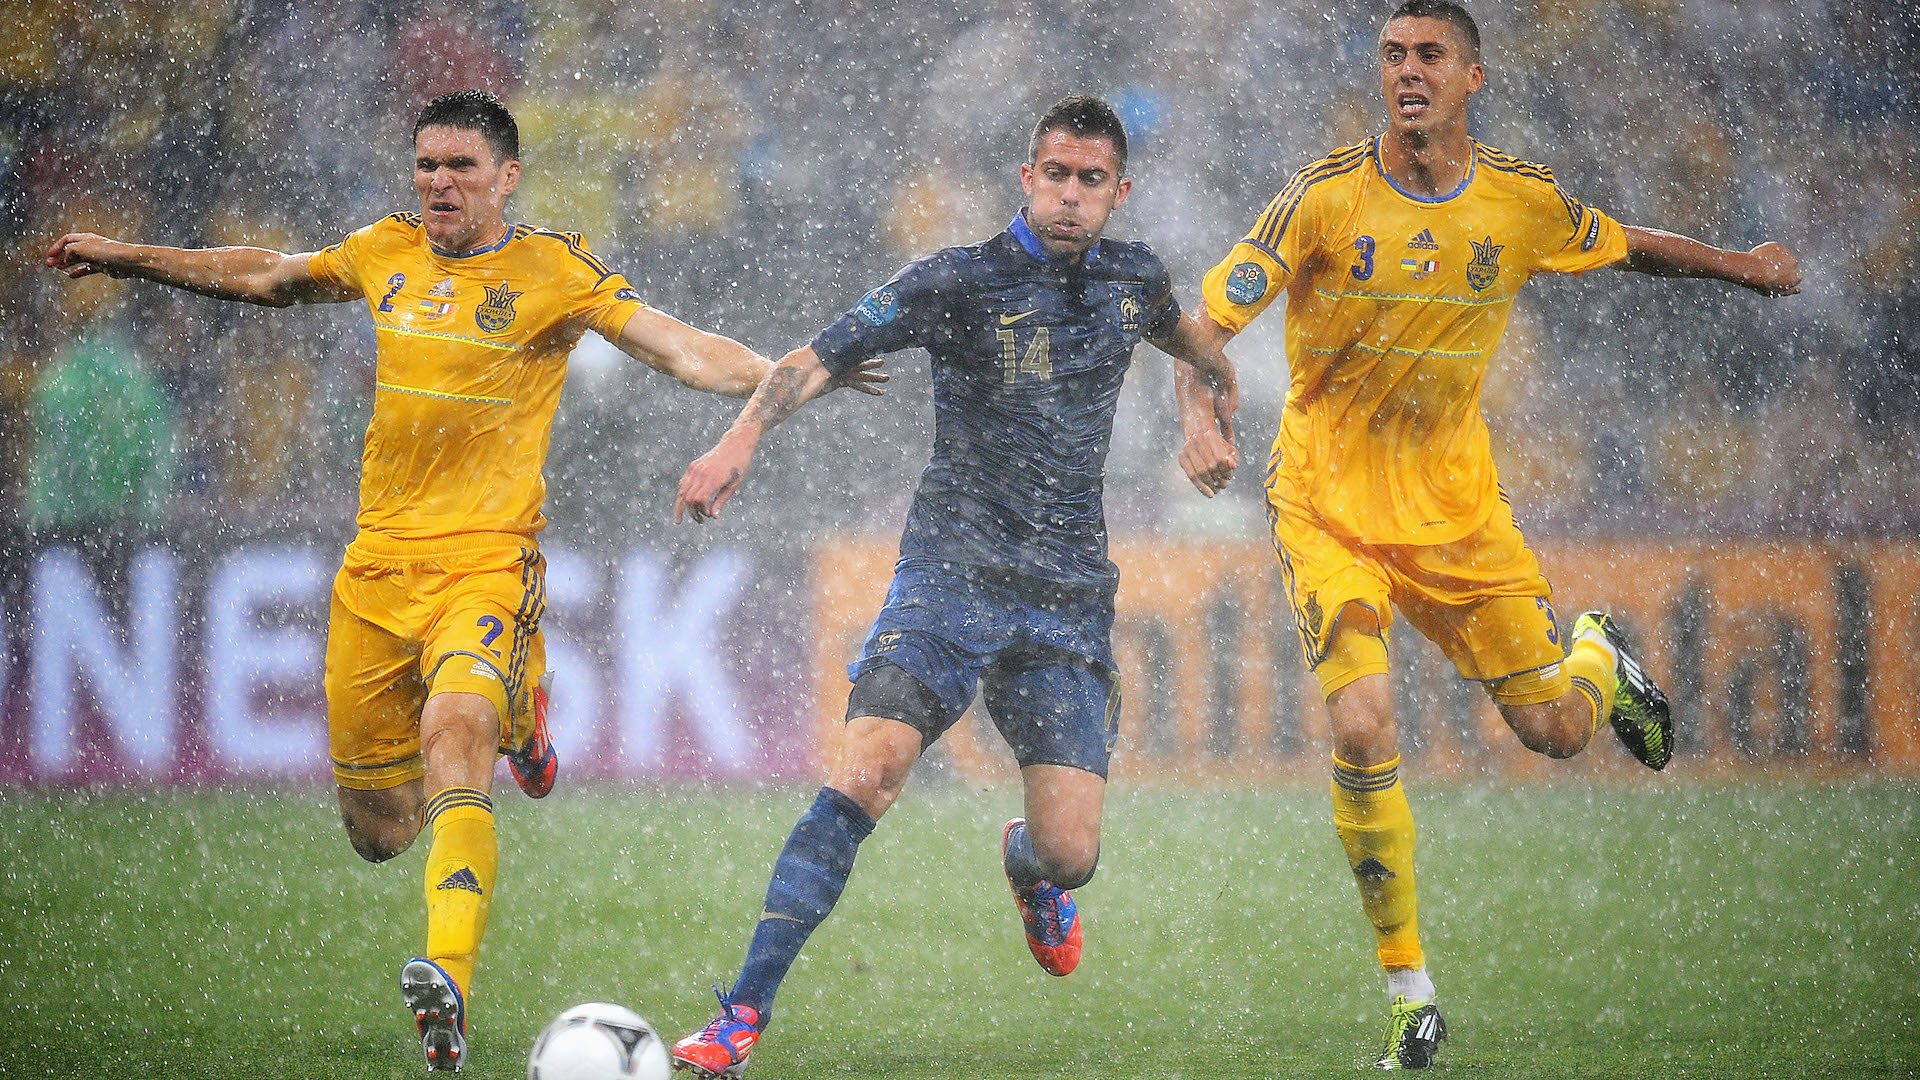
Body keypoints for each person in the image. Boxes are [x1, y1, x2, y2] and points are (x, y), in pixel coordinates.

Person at [45, 89, 880, 1073]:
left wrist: (787, 373)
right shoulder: (382, 250)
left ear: (508, 178)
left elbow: (676, 346)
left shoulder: (553, 273)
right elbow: (266, 276)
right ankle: (528, 703)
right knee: (380, 833)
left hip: (487, 560)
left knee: (457, 735)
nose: (440, 182)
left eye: (462, 167)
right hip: (374, 574)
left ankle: (447, 983)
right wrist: (124, 254)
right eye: (428, 164)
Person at [1173, 1, 1802, 1069]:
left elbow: (1629, 246)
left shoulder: (1519, 205)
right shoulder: (1323, 197)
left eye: (1429, 56)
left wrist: (1742, 264)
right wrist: (1200, 413)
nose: (1407, 72)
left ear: (1474, 77)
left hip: (1458, 513)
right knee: (1364, 726)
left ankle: (1597, 655)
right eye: (1392, 55)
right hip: (1328, 505)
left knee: (1556, 733)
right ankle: (1411, 992)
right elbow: (1204, 324)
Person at [668, 94, 1238, 1077]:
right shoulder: (956, 281)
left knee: (1073, 854)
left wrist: (1201, 413)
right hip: (952, 573)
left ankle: (1029, 867)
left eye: (1089, 180)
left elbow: (1203, 350)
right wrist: (739, 441)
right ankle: (741, 1014)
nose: (1069, 195)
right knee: (869, 768)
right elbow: (814, 358)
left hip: (1064, 595)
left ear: (1119, 191)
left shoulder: (1135, 281)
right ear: (1027, 178)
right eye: (1054, 174)